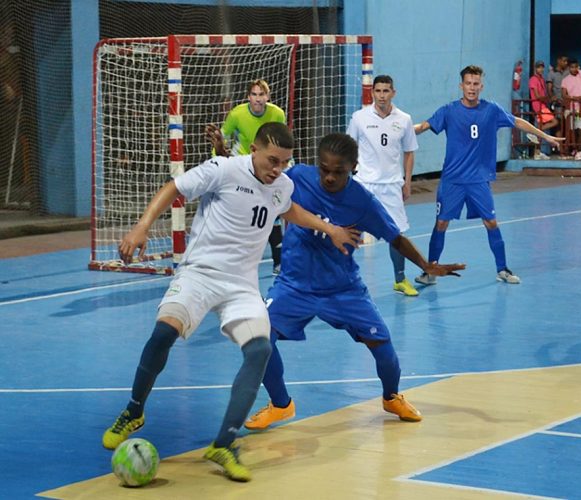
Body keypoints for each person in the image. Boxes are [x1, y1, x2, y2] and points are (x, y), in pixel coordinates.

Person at [101, 123, 360, 482]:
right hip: (200, 273)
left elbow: (289, 210)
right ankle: (134, 410)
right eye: (272, 160)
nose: (277, 169)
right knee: (163, 334)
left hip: (242, 285)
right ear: (254, 149)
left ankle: (224, 442)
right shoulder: (223, 170)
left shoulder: (281, 185)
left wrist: (329, 229)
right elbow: (174, 187)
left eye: (284, 163)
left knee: (259, 351)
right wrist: (141, 227)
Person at [244, 133, 465, 430]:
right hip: (294, 285)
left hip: (343, 288)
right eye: (325, 169)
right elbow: (258, 181)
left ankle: (391, 397)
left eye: (339, 171)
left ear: (354, 167)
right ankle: (281, 404)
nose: (330, 177)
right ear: (316, 163)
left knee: (383, 346)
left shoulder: (362, 202)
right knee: (259, 339)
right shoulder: (297, 177)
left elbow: (395, 238)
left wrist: (425, 265)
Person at [413, 65, 562, 286]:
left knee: (491, 222)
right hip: (452, 180)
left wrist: (545, 137)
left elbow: (517, 122)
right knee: (441, 223)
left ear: (481, 86)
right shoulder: (448, 110)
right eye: (468, 83)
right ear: (460, 86)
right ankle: (431, 271)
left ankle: (502, 269)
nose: (472, 88)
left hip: (478, 180)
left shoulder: (491, 110)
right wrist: (399, 131)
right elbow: (424, 126)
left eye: (476, 84)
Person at [346, 74, 420, 296]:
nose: (381, 95)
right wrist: (352, 176)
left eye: (386, 91)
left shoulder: (404, 119)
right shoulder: (359, 117)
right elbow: (350, 147)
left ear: (393, 93)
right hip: (364, 184)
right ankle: (343, 280)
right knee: (350, 232)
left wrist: (407, 183)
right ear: (372, 93)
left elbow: (409, 153)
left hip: (391, 186)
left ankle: (399, 280)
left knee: (396, 234)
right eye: (377, 91)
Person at [217, 79, 287, 274]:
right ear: (249, 97)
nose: (258, 99)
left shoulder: (277, 114)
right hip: (243, 168)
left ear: (268, 97)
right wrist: (220, 164)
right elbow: (221, 138)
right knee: (239, 214)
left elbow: (281, 142)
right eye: (254, 95)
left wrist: (283, 165)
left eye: (261, 95)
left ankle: (279, 262)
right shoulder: (237, 114)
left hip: (266, 169)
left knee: (272, 211)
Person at [561, 59, 581, 159]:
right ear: (569, 68)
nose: (574, 69)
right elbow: (564, 95)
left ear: (578, 66)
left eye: (575, 67)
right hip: (570, 108)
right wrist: (574, 98)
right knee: (571, 131)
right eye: (571, 67)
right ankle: (572, 149)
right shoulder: (565, 80)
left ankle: (580, 150)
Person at [529, 60, 558, 159]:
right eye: (538, 67)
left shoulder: (541, 79)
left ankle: (537, 152)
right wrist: (548, 99)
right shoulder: (533, 79)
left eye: (541, 67)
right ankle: (535, 131)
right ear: (535, 68)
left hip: (543, 104)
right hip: (539, 105)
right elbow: (537, 95)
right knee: (554, 121)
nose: (540, 69)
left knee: (542, 126)